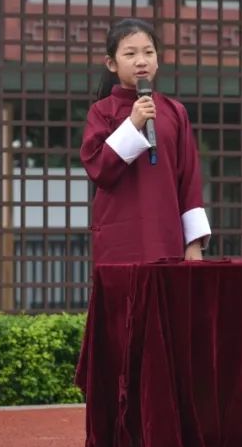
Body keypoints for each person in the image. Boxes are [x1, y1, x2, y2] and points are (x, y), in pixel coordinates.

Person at [80, 18, 211, 265]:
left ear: (157, 59)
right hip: (119, 239)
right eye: (130, 54)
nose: (141, 61)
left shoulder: (175, 111)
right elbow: (98, 170)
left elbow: (189, 179)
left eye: (149, 52)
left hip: (167, 236)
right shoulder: (102, 112)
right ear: (111, 63)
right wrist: (133, 125)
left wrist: (193, 243)